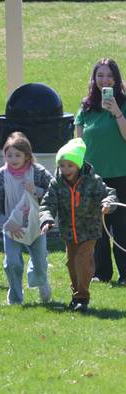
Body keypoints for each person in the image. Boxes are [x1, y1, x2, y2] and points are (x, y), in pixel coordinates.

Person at [40, 138, 117, 312]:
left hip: (90, 231)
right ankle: (76, 296)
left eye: (70, 165)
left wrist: (107, 203)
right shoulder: (56, 183)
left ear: (79, 165)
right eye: (62, 165)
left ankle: (82, 297)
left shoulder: (93, 180)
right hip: (69, 233)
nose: (66, 169)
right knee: (71, 263)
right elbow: (47, 204)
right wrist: (47, 219)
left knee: (83, 261)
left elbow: (110, 194)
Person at [0, 132, 53, 305]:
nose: (13, 159)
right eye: (9, 155)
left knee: (39, 262)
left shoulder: (38, 173)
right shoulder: (0, 176)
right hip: (11, 226)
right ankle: (15, 297)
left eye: (17, 155)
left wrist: (36, 190)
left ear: (27, 156)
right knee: (12, 263)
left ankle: (41, 282)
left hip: (35, 225)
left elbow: (54, 192)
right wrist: (5, 223)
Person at [74, 58, 126, 284]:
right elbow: (78, 142)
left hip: (121, 173)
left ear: (116, 79)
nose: (104, 79)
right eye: (100, 75)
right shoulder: (86, 107)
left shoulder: (123, 103)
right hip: (94, 177)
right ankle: (102, 273)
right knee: (99, 228)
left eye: (108, 75)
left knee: (122, 226)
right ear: (94, 80)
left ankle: (125, 274)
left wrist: (116, 111)